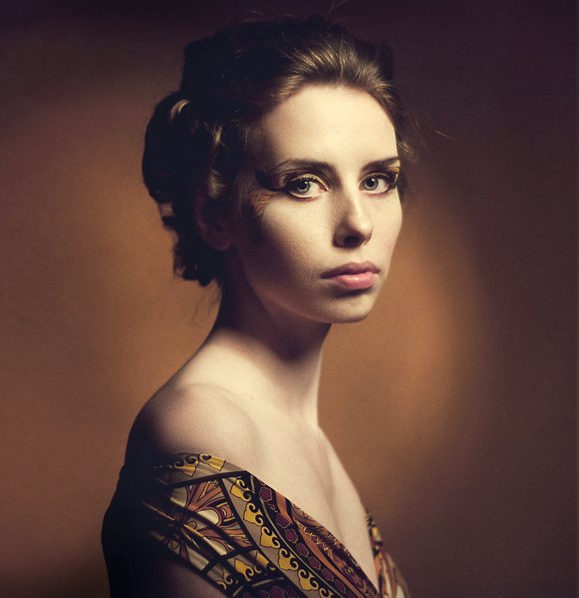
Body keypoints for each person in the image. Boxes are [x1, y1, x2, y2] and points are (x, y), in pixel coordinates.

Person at [101, 16, 414, 598]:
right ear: (215, 214)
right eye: (304, 183)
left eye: (377, 180)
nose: (359, 224)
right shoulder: (200, 427)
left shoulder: (307, 439)